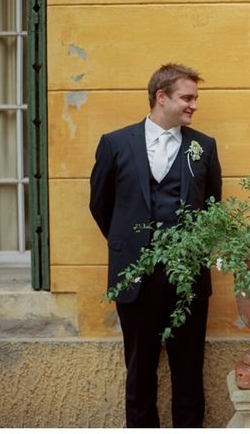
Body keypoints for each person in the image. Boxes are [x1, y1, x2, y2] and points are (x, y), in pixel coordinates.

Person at [89, 63, 222, 428]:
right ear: (161, 97)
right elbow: (100, 205)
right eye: (187, 98)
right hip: (136, 280)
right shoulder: (115, 144)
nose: (194, 105)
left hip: (188, 282)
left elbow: (213, 208)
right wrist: (129, 245)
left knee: (189, 375)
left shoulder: (204, 147)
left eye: (195, 98)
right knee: (139, 374)